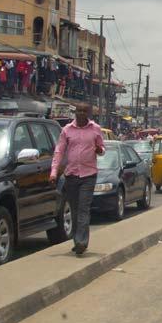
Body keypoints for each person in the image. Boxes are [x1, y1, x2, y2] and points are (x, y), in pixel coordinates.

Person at [51, 103, 106, 256]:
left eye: (84, 111)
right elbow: (59, 152)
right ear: (75, 113)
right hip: (71, 175)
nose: (81, 113)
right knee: (74, 210)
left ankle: (82, 242)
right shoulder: (67, 130)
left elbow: (102, 149)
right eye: (79, 111)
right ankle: (77, 240)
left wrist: (99, 150)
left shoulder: (95, 129)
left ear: (88, 113)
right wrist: (54, 173)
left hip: (89, 175)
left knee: (83, 209)